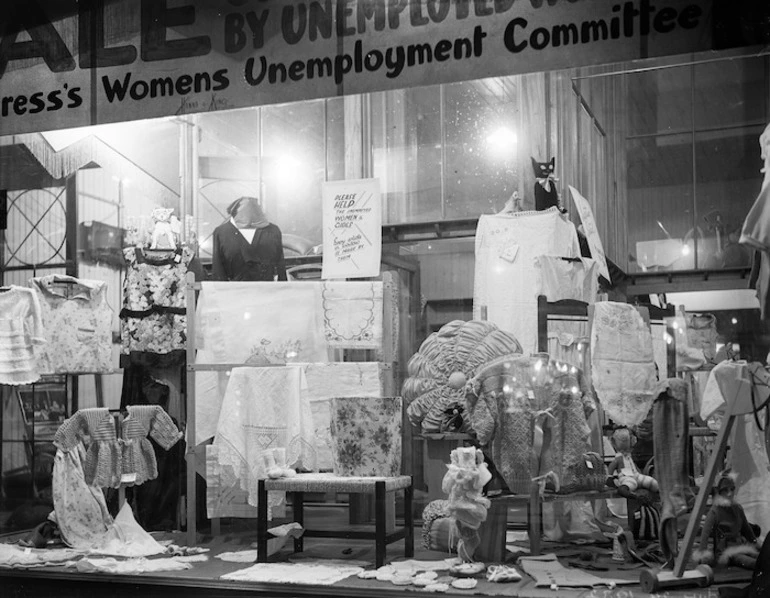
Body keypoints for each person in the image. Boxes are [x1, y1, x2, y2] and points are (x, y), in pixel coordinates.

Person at [211, 196, 287, 281]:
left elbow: (280, 266)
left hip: (267, 290)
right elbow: (218, 269)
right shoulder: (221, 233)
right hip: (234, 290)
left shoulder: (273, 231)